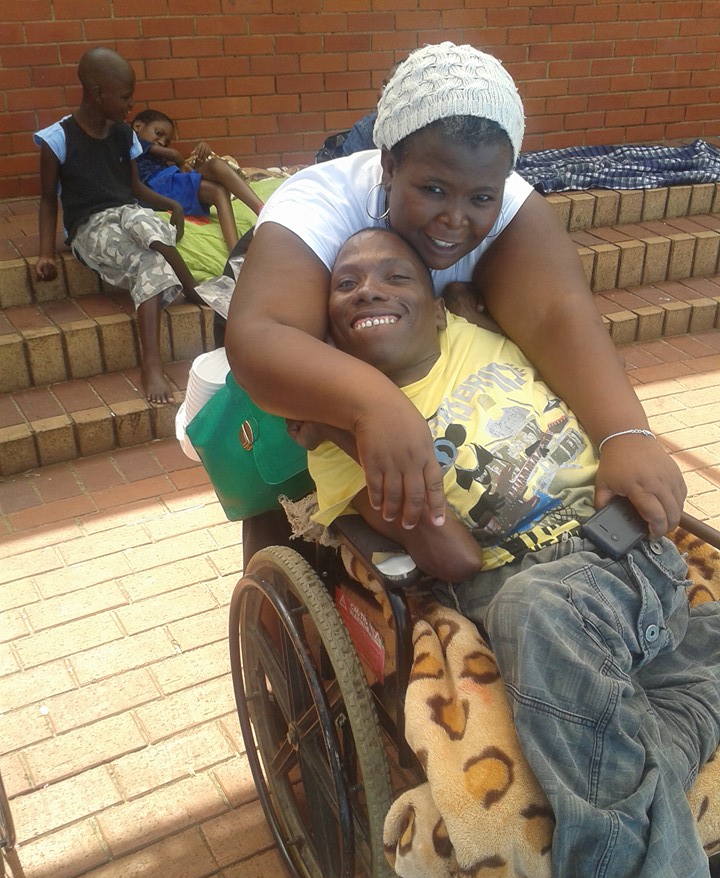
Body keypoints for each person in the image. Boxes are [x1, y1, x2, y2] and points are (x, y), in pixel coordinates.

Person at [303, 227, 720, 878]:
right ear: (331, 331)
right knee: (542, 615)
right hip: (513, 589)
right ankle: (692, 707)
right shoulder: (341, 447)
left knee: (540, 612)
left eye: (396, 277)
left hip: (617, 548)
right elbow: (457, 559)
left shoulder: (487, 338)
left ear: (437, 307)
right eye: (346, 284)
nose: (369, 290)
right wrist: (352, 438)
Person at [225, 41, 686, 555]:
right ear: (388, 166)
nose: (455, 219)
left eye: (481, 198)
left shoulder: (512, 207)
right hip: (307, 408)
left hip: (454, 417)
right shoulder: (318, 204)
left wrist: (626, 435)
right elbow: (260, 339)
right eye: (433, 190)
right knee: (285, 518)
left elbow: (558, 317)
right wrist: (375, 405)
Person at [34, 47, 201, 404]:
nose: (130, 105)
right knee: (147, 261)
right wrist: (46, 253)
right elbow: (48, 200)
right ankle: (151, 365)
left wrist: (171, 205)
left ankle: (189, 286)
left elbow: (134, 188)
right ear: (98, 93)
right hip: (89, 225)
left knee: (147, 224)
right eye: (125, 97)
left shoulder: (124, 135)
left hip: (126, 209)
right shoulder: (57, 139)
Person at [131, 109, 264, 253]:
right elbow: (175, 156)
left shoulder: (158, 159)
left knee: (218, 189)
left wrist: (200, 158)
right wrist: (181, 162)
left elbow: (185, 175)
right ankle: (262, 209)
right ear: (138, 126)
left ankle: (234, 252)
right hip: (156, 188)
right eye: (158, 133)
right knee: (216, 165)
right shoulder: (134, 143)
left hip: (167, 186)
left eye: (167, 141)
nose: (162, 142)